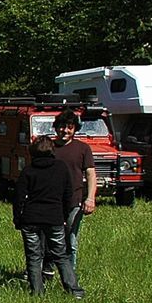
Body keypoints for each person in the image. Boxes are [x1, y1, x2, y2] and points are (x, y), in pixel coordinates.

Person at [14, 135, 84, 298]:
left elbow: (18, 197)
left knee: (33, 256)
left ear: (33, 152)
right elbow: (68, 194)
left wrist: (17, 219)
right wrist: (65, 216)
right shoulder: (61, 168)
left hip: (30, 219)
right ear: (52, 151)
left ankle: (37, 291)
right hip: (54, 218)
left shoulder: (28, 170)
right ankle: (74, 289)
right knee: (61, 254)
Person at [50, 108, 97, 271]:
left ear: (75, 129)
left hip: (74, 201)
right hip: (51, 201)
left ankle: (70, 276)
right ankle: (46, 273)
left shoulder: (83, 149)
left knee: (71, 240)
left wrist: (90, 198)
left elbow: (91, 174)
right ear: (56, 127)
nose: (65, 131)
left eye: (69, 127)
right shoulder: (49, 147)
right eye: (62, 126)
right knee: (49, 239)